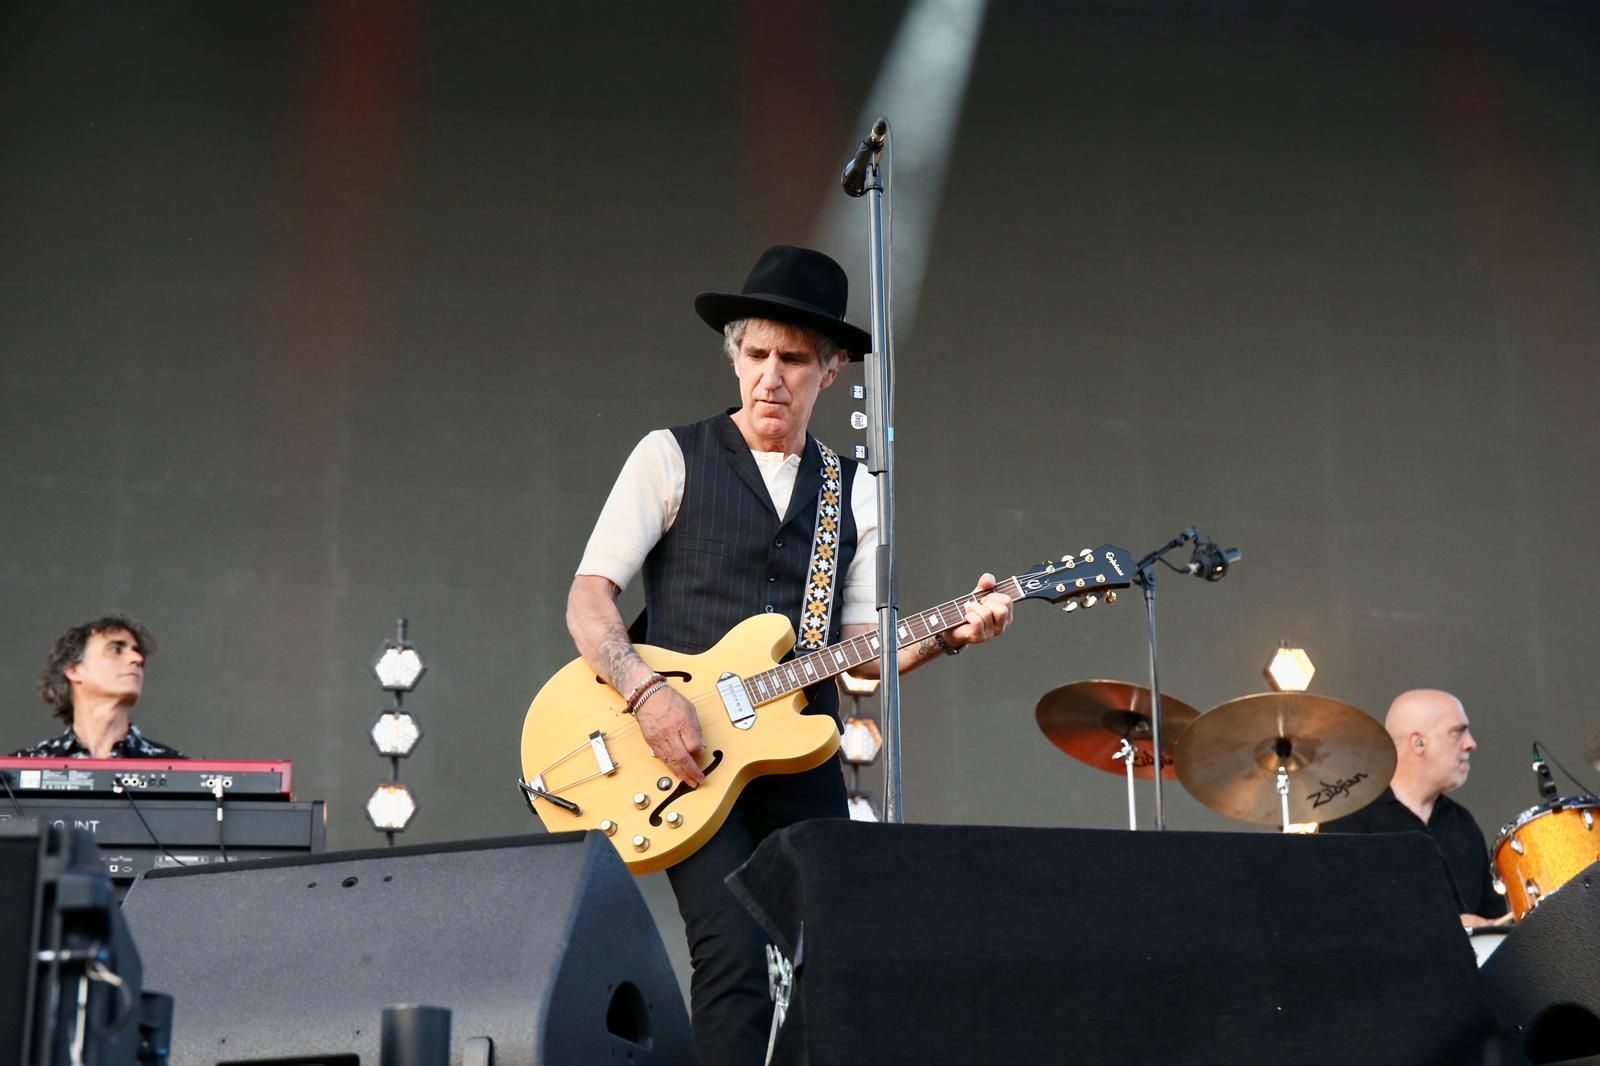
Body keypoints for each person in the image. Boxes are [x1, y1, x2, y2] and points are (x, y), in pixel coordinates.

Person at [565, 244, 1013, 1064]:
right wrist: (644, 694)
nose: (771, 375)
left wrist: (947, 635)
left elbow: (856, 660)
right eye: (756, 354)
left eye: (793, 359)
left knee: (834, 956)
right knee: (733, 954)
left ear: (830, 371)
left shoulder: (855, 488)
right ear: (735, 357)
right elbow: (589, 597)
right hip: (685, 751)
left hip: (800, 753)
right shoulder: (670, 456)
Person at [1321, 689, 1507, 926]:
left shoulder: (1463, 824)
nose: (1471, 744)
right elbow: (1342, 920)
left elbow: (1493, 921)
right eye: (1457, 732)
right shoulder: (1349, 820)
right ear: (1418, 743)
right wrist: (1447, 927)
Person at [12, 615, 185, 759]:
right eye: (116, 650)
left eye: (137, 651)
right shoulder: (25, 765)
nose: (137, 659)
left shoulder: (177, 768)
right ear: (74, 670)